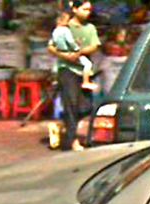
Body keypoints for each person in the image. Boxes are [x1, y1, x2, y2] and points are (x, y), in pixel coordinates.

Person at [48, 0, 100, 151]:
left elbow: (94, 46)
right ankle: (72, 140)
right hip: (67, 70)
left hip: (84, 71)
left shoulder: (90, 28)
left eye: (89, 10)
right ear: (75, 9)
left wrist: (80, 52)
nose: (87, 13)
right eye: (84, 9)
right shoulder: (64, 26)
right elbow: (51, 47)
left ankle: (65, 128)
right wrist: (65, 56)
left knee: (86, 106)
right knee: (71, 104)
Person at [51, 10, 99, 92]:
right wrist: (77, 50)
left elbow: (54, 43)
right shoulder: (65, 30)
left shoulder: (55, 31)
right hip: (70, 53)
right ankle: (86, 81)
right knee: (88, 64)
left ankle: (55, 80)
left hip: (62, 53)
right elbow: (70, 42)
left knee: (56, 67)